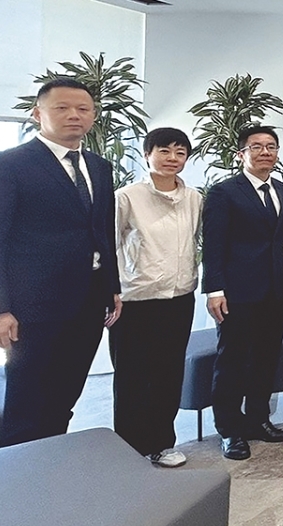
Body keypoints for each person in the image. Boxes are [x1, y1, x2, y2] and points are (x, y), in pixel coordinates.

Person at [0, 77, 121, 448]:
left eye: (83, 109)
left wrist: (112, 287)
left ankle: (52, 460)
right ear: (38, 114)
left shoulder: (99, 167)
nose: (74, 116)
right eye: (62, 108)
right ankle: (18, 473)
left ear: (93, 116)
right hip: (33, 305)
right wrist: (0, 309)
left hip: (89, 300)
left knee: (65, 394)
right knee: (26, 401)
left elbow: (103, 231)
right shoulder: (9, 165)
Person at [109, 127, 202, 466]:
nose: (172, 158)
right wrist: (111, 290)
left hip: (179, 297)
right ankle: (130, 450)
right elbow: (109, 245)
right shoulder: (127, 197)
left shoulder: (194, 198)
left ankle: (163, 443)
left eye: (180, 152)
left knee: (168, 373)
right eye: (164, 151)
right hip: (136, 300)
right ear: (148, 154)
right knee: (132, 377)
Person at [202, 124, 283, 460]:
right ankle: (229, 430)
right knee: (232, 362)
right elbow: (213, 245)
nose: (265, 152)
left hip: (273, 290)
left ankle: (258, 420)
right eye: (257, 146)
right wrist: (214, 289)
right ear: (241, 154)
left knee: (266, 359)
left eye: (271, 146)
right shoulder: (224, 192)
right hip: (237, 292)